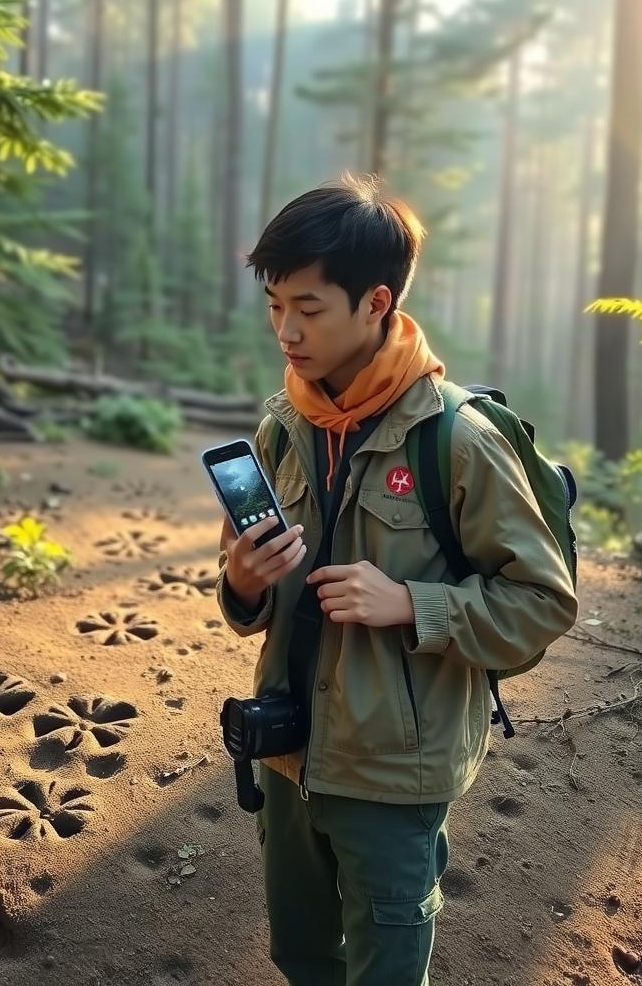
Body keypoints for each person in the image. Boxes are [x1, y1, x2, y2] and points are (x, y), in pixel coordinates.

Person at [214, 173, 578, 986]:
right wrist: (241, 580)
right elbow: (249, 605)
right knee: (301, 953)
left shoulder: (459, 439)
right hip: (286, 752)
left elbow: (544, 601)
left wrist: (413, 604)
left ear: (376, 303)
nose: (285, 330)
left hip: (392, 772)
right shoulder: (282, 427)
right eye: (275, 305)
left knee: (384, 965)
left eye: (309, 309)